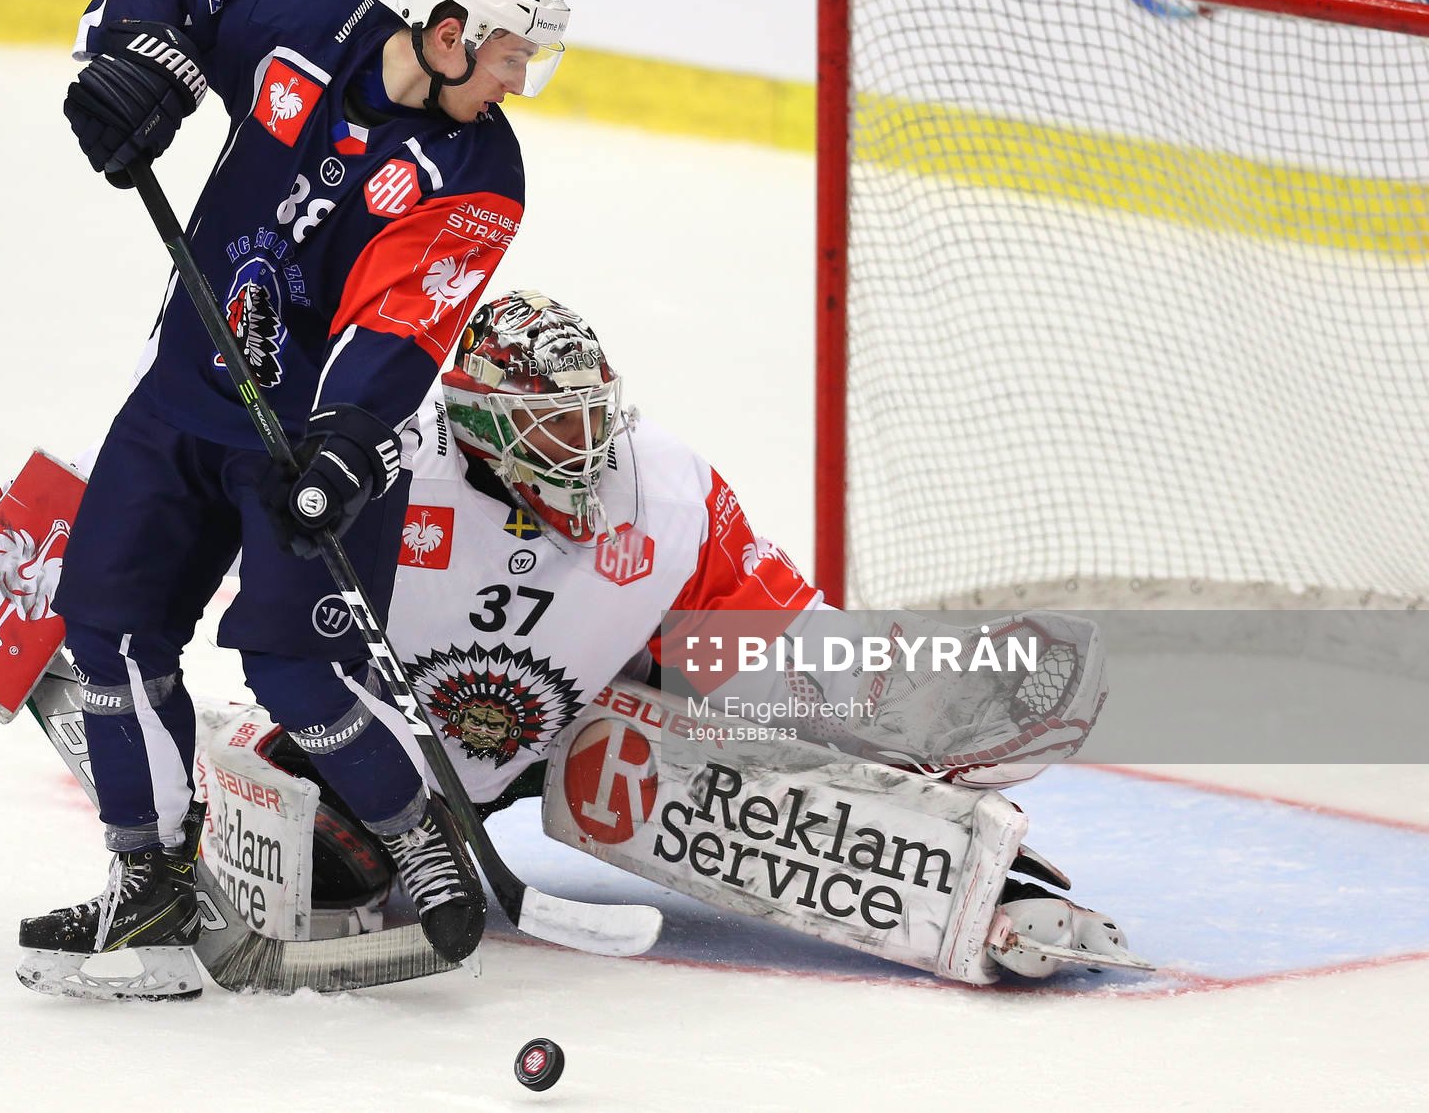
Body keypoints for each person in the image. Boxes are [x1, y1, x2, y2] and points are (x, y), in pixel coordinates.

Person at [238, 290, 1133, 979]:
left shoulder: (661, 491)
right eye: (553, 426)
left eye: (593, 416)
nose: (585, 448)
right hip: (393, 754)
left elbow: (776, 634)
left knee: (747, 689)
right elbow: (273, 622)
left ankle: (915, 801)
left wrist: (893, 702)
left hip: (572, 719)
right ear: (476, 422)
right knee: (320, 875)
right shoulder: (383, 474)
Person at [16, 0, 571, 1001]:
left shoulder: (479, 169)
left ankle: (416, 835)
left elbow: (404, 321)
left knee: (297, 672)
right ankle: (153, 885)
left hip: (318, 444)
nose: (519, 83)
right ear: (448, 31)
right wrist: (135, 70)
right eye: (511, 54)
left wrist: (344, 444)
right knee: (107, 632)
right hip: (184, 394)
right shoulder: (300, 20)